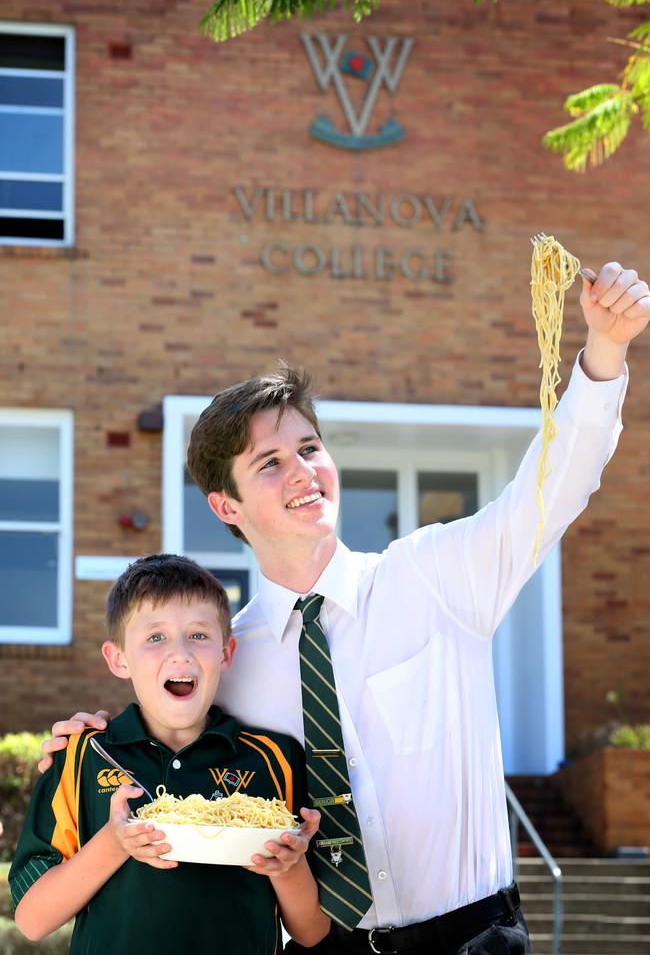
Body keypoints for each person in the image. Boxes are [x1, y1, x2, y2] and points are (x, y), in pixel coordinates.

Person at [42, 262, 650, 954]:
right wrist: (88, 736)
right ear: (225, 506)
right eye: (268, 463)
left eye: (308, 448)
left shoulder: (436, 577)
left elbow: (555, 486)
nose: (301, 470)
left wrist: (604, 350)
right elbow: (166, 749)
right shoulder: (228, 661)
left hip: (472, 939)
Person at [12, 554, 329, 954]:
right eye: (155, 637)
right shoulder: (83, 755)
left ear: (226, 653)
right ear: (118, 659)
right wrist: (115, 842)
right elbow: (32, 920)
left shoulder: (273, 758)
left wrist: (288, 866)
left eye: (198, 635)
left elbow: (311, 931)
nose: (179, 653)